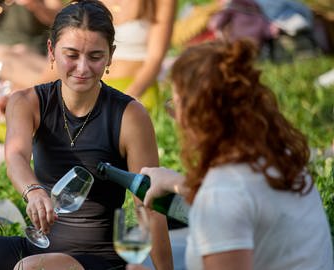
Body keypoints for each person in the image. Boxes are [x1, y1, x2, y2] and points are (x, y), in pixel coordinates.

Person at [0, 1, 173, 269]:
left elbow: (149, 205)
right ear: (52, 51)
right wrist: (34, 190)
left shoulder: (129, 115)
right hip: (35, 247)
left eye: (95, 56)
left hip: (96, 258)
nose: (83, 67)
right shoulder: (27, 102)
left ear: (110, 55)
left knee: (30, 269)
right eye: (72, 55)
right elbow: (16, 156)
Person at [128, 39, 334, 270]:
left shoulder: (223, 193)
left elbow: (229, 201)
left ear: (194, 115)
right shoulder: (279, 157)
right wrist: (181, 184)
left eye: (174, 107)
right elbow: (249, 202)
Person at [0, 0, 177, 141]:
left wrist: (126, 100)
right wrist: (30, 95)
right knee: (15, 116)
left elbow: (154, 60)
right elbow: (64, 60)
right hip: (85, 83)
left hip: (135, 87)